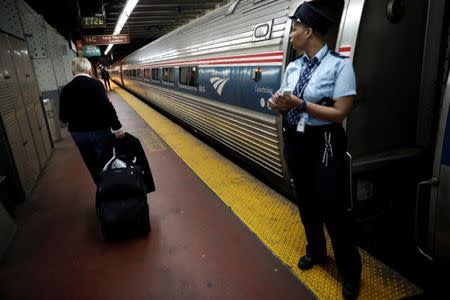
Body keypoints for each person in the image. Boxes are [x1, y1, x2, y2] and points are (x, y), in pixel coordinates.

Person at [268, 2, 361, 299]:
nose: (292, 35)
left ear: (308, 31)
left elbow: (339, 113)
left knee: (333, 207)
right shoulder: (293, 67)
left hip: (325, 142)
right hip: (296, 141)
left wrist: (301, 104)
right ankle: (316, 252)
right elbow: (286, 98)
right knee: (306, 202)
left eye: (294, 29)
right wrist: (278, 103)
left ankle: (350, 272)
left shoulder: (340, 65)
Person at [59, 57, 125, 185]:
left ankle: (100, 189)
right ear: (89, 69)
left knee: (91, 164)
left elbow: (63, 117)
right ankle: (111, 191)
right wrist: (117, 127)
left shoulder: (66, 89)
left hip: (79, 134)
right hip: (100, 131)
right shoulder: (96, 84)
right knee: (106, 162)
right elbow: (107, 107)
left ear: (73, 71)